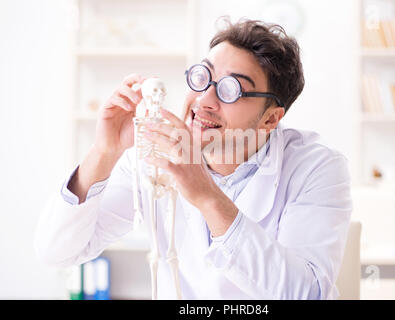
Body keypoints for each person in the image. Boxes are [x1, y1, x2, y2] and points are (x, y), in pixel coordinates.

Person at [35, 18, 352, 300]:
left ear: (271, 119)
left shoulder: (317, 168)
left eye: (232, 90)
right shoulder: (152, 156)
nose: (204, 100)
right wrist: (104, 153)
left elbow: (306, 293)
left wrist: (206, 196)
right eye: (203, 77)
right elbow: (56, 252)